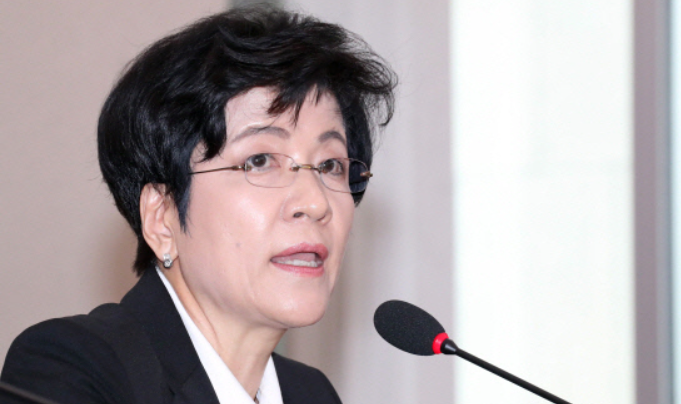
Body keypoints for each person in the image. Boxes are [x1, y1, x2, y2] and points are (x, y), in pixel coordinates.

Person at [0, 5, 396, 404]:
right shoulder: (78, 367)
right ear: (161, 218)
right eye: (260, 160)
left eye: (330, 165)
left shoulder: (310, 394)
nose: (315, 202)